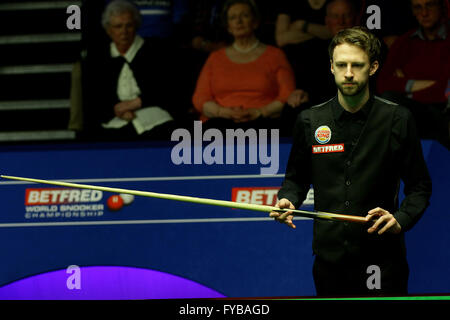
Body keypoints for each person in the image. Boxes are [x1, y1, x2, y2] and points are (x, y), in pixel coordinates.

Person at [270, 27, 432, 296]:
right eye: (341, 64)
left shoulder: (397, 119)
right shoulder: (310, 121)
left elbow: (420, 186)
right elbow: (297, 179)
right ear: (331, 66)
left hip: (382, 259)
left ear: (373, 67)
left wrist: (401, 219)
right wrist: (288, 198)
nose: (348, 73)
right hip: (329, 261)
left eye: (357, 65)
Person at [192, 0, 296, 134]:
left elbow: (287, 94)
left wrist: (260, 112)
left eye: (244, 16)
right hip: (219, 123)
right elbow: (200, 97)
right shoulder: (215, 58)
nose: (239, 21)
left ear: (255, 21)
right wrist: (221, 112)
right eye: (233, 18)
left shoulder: (275, 55)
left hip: (264, 122)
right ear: (228, 26)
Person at [84, 0, 177, 141]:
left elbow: (165, 90)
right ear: (108, 30)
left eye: (129, 25)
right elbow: (95, 98)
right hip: (114, 121)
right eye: (118, 26)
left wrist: (135, 104)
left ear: (137, 26)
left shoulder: (154, 51)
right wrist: (116, 110)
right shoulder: (98, 59)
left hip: (154, 117)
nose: (124, 32)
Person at [376, 0, 450, 149]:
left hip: (443, 111)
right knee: (387, 101)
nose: (424, 13)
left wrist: (406, 87)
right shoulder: (404, 42)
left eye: (429, 5)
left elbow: (446, 88)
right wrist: (425, 84)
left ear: (441, 7)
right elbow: (382, 84)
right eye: (418, 7)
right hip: (413, 111)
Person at [287, 0, 359, 108]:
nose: (341, 21)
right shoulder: (314, 50)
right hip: (320, 105)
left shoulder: (369, 49)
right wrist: (301, 93)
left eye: (346, 15)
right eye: (335, 16)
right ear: (327, 21)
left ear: (355, 19)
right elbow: (308, 83)